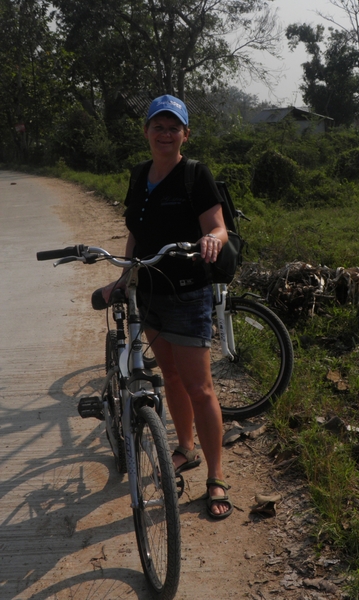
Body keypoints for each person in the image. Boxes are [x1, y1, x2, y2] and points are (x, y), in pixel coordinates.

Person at [102, 94, 233, 519]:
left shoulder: (195, 175)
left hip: (187, 292)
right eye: (158, 126)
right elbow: (136, 234)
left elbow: (217, 225)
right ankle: (185, 448)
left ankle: (215, 477)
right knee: (172, 378)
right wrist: (124, 277)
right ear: (146, 132)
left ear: (185, 134)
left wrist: (214, 238)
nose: (165, 133)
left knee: (200, 388)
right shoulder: (140, 175)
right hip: (149, 294)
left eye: (173, 127)